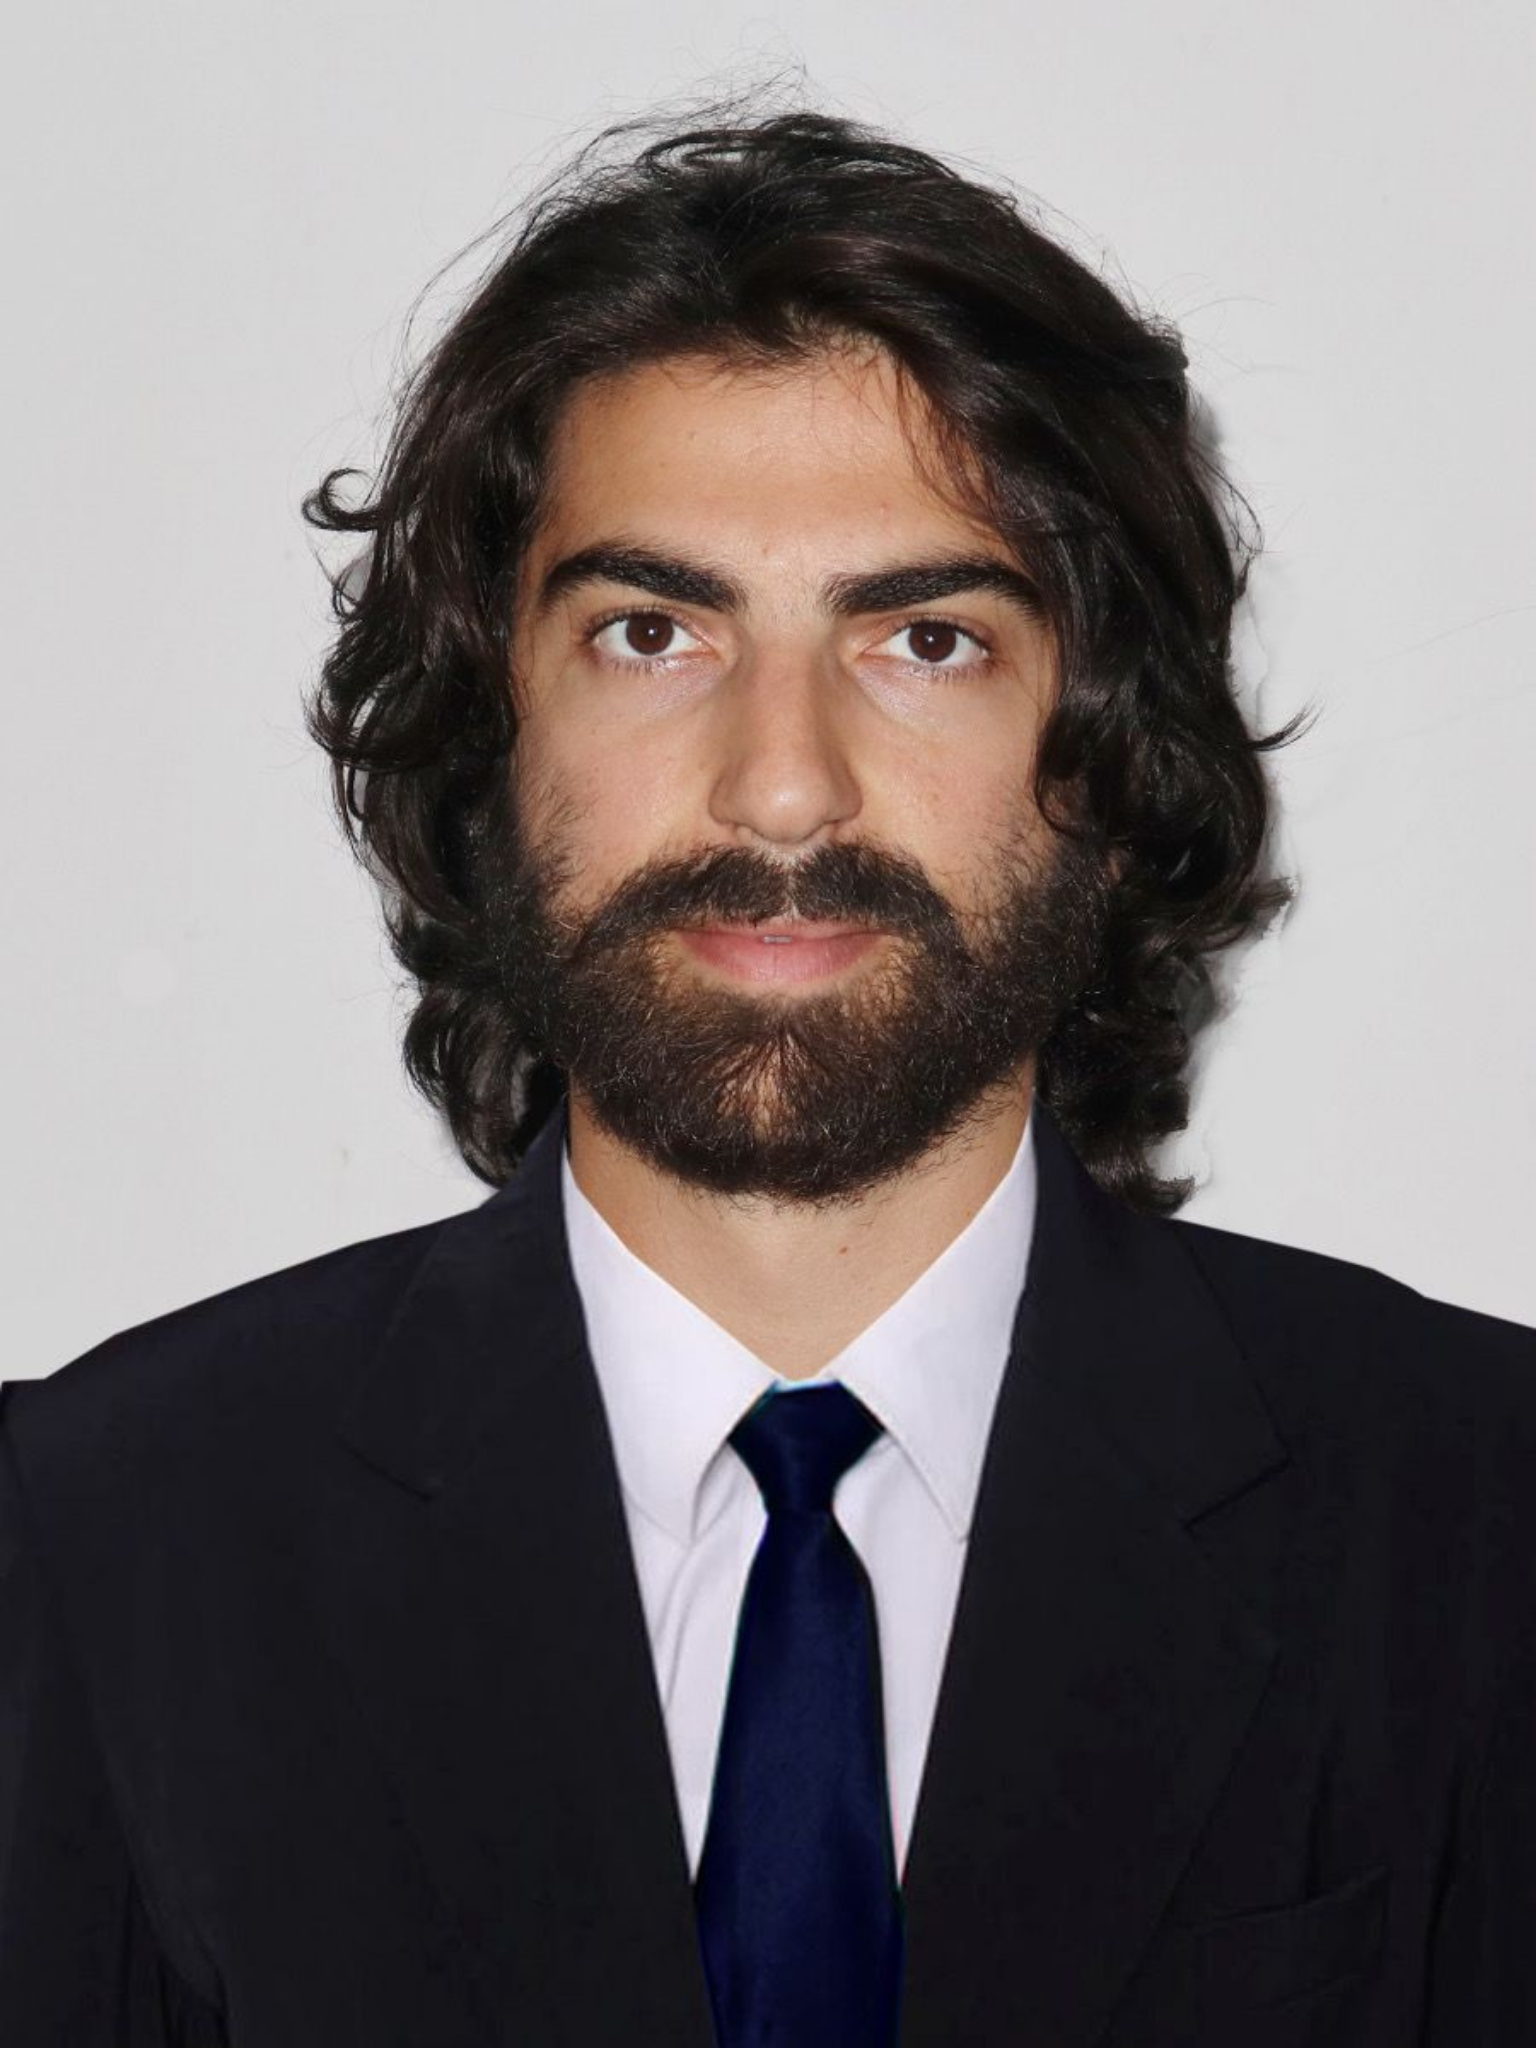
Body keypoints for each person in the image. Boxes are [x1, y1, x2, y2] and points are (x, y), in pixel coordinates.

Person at [2, 101, 1533, 2048]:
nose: (784, 784)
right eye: (654, 633)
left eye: (926, 639)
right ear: (491, 732)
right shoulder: (101, 1541)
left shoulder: (1480, 1523)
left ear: (1105, 748)